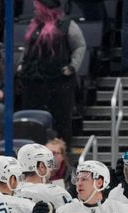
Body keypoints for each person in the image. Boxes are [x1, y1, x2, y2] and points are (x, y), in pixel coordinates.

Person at [17, 0, 85, 144]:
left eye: (37, 8)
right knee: (33, 118)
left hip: (58, 80)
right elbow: (28, 47)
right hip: (33, 80)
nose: (34, 11)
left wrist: (72, 66)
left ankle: (63, 151)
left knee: (61, 119)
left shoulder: (67, 25)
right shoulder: (34, 25)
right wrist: (22, 63)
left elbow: (80, 46)